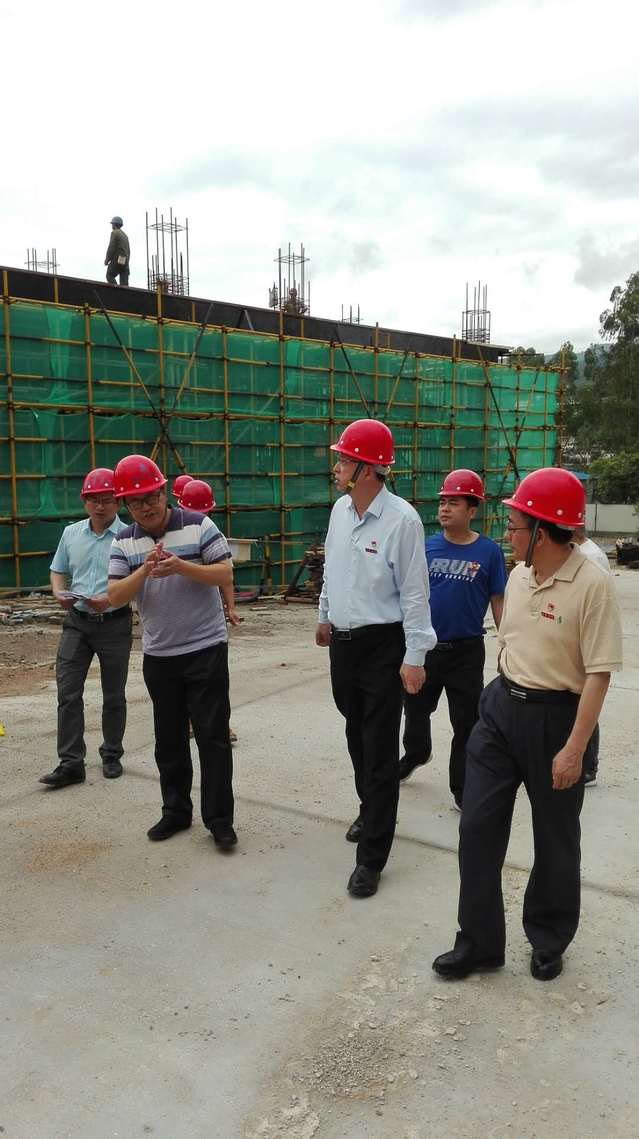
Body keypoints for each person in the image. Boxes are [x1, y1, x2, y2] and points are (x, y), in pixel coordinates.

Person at [433, 468, 622, 983]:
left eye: (515, 525)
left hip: (558, 718)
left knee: (555, 837)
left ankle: (548, 936)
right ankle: (478, 943)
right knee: (477, 827)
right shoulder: (518, 576)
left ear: (541, 530)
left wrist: (575, 748)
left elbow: (599, 674)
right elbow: (511, 640)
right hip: (501, 710)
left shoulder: (592, 583)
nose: (507, 534)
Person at [316, 419, 436, 898]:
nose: (336, 466)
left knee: (380, 747)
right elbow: (333, 569)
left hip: (384, 646)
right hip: (344, 646)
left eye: (343, 460)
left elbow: (415, 593)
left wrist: (415, 655)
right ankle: (370, 809)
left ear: (366, 469)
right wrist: (324, 615)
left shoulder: (402, 521)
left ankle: (372, 856)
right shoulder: (340, 511)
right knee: (355, 734)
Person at [107, 454, 237, 849]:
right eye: (135, 502)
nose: (145, 507)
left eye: (151, 497)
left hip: (205, 648)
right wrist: (144, 570)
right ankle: (176, 812)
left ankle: (219, 820)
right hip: (160, 655)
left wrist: (181, 566)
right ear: (126, 506)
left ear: (164, 492)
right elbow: (115, 596)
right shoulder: (123, 541)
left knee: (213, 738)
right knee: (169, 740)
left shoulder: (199, 524)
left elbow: (224, 572)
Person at [400, 469, 507, 809]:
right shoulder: (425, 547)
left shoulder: (489, 552)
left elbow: (498, 599)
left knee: (466, 722)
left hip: (466, 651)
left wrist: (507, 642)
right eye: (443, 502)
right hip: (425, 648)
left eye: (454, 503)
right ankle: (416, 752)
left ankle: (462, 786)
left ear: (472, 509)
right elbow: (408, 594)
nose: (444, 508)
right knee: (415, 709)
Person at [40, 468, 132, 789]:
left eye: (107, 500)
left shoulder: (129, 537)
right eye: (94, 500)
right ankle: (70, 763)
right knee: (68, 692)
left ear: (118, 502)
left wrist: (110, 600)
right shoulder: (71, 533)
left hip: (115, 624)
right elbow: (58, 570)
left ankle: (112, 754)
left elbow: (138, 582)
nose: (100, 506)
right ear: (84, 501)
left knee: (113, 694)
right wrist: (58, 592)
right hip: (76, 623)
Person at [179, 478, 240, 744]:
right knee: (182, 677)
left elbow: (225, 576)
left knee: (214, 679)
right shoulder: (171, 535)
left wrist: (231, 607)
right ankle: (188, 721)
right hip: (180, 618)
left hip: (208, 619)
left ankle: (220, 725)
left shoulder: (213, 535)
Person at [573, 526, 611, 785]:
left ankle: (589, 767)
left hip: (586, 640)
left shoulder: (592, 556)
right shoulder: (578, 552)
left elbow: (599, 600)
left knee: (585, 702)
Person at [105, 216, 130, 286]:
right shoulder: (125, 235)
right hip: (125, 260)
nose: (112, 226)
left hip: (119, 258)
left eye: (112, 224)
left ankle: (116, 290)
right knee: (124, 283)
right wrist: (127, 263)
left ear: (114, 224)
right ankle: (124, 292)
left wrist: (107, 260)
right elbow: (128, 250)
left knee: (109, 275)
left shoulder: (115, 233)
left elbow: (111, 248)